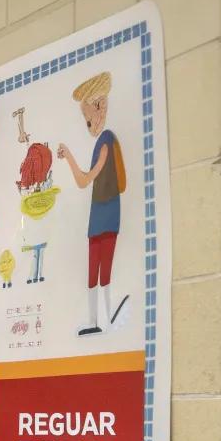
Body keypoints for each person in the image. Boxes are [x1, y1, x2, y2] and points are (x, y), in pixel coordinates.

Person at [57, 70, 129, 337]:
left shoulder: (106, 141)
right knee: (94, 269)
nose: (89, 125)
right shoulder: (102, 142)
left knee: (103, 267)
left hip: (106, 212)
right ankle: (95, 319)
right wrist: (69, 158)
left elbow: (85, 180)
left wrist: (69, 157)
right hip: (100, 214)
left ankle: (106, 316)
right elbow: (83, 181)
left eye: (88, 120)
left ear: (100, 107)